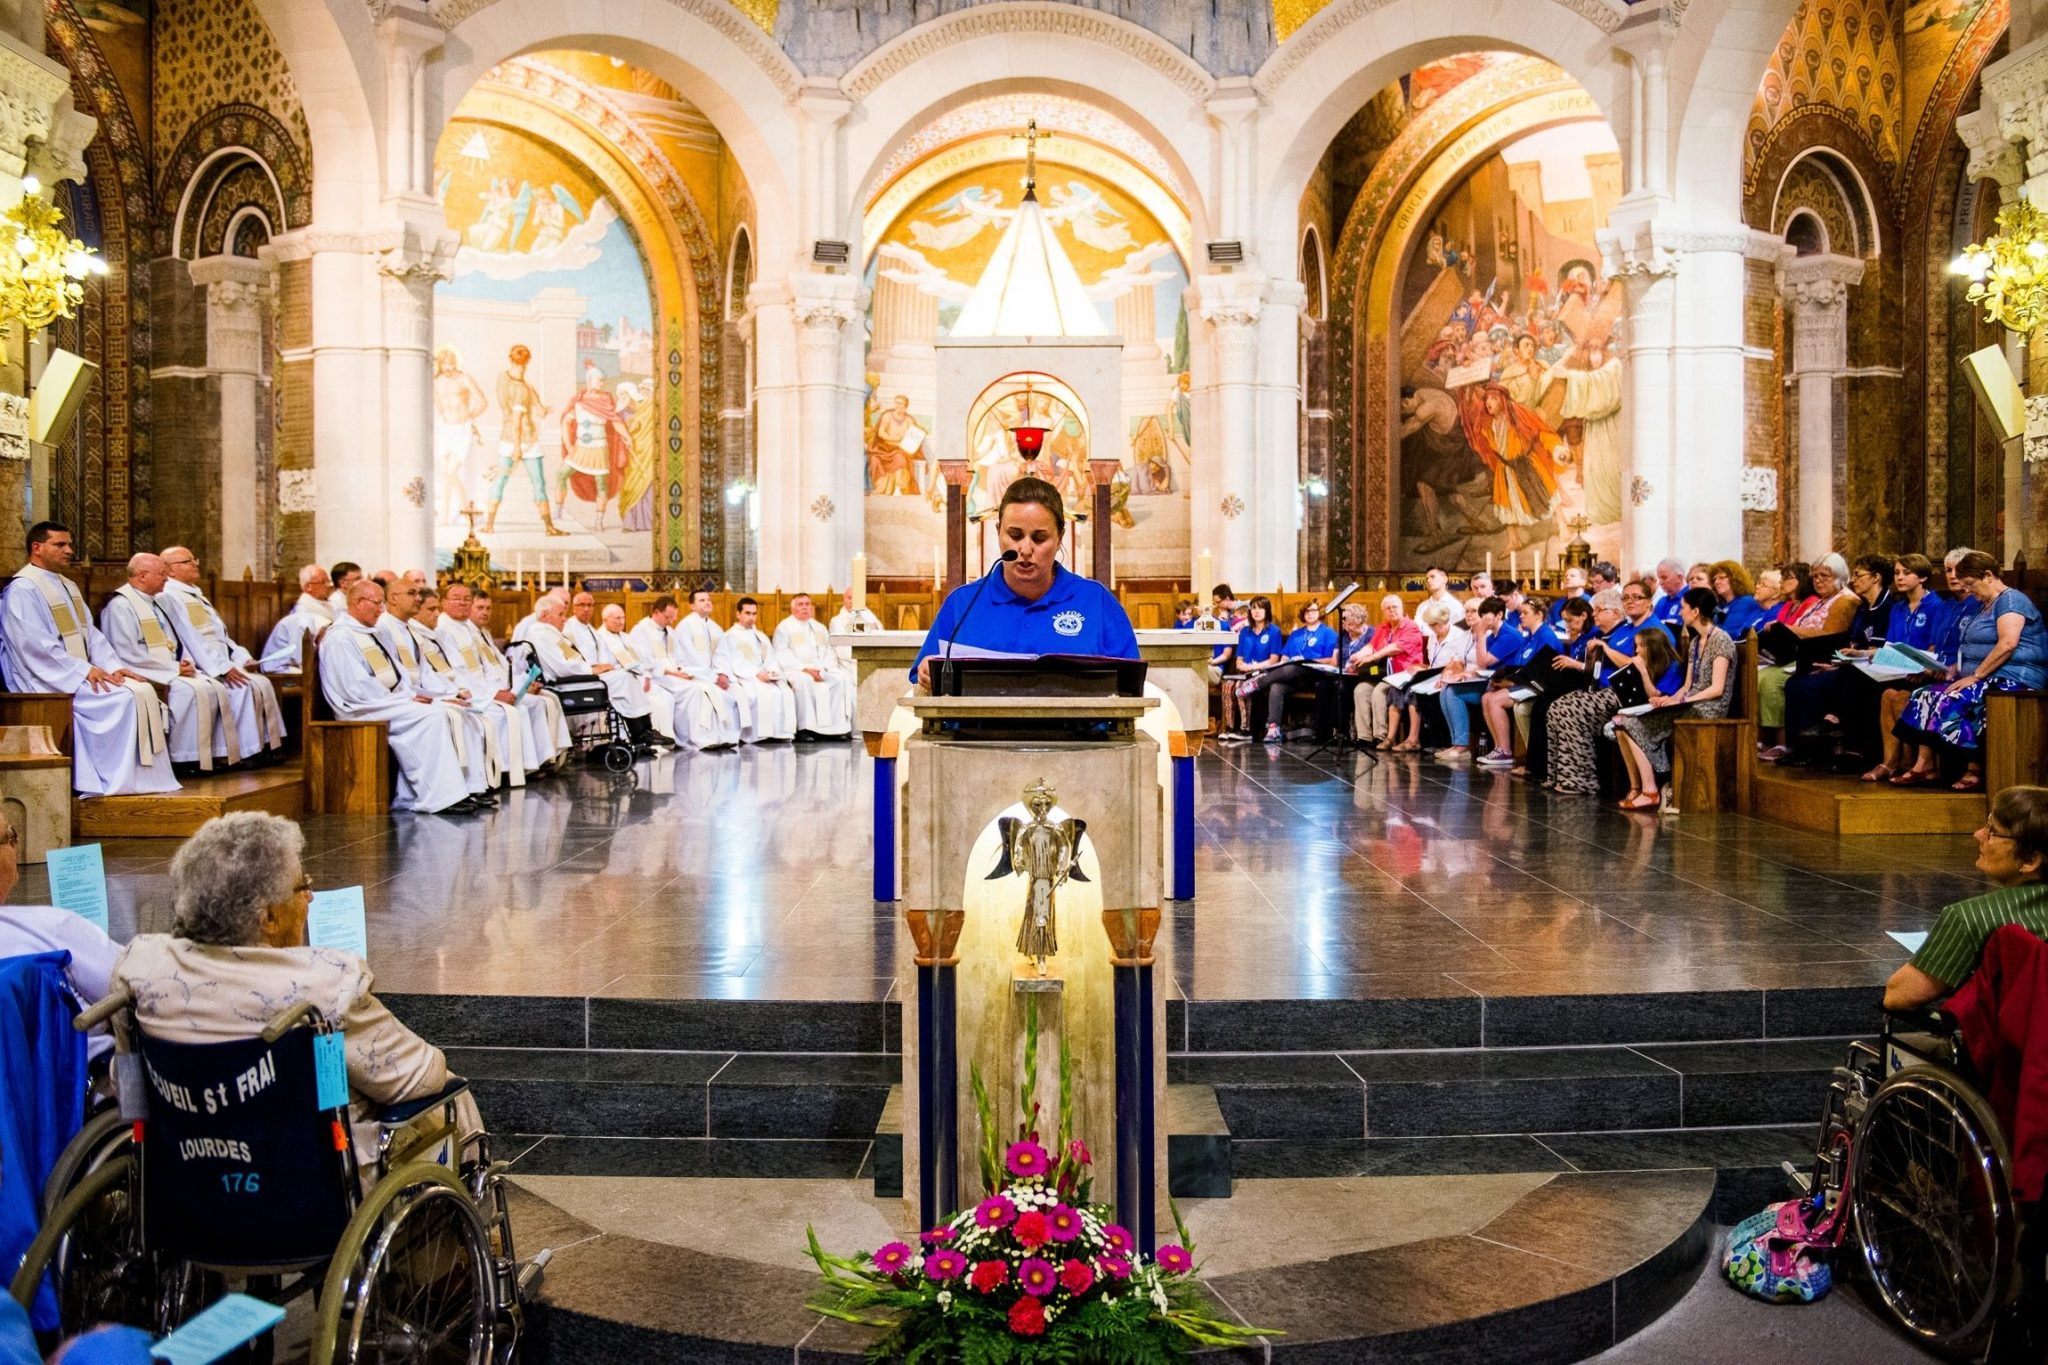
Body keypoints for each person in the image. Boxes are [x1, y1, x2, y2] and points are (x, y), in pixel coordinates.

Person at [109, 812, 485, 1171]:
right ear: (268, 918)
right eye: (302, 887)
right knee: (452, 1094)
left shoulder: (140, 968)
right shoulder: (325, 983)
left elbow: (128, 1088)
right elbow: (419, 1076)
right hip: (302, 1185)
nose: (311, 898)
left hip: (187, 1172)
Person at [0, 524, 180, 797]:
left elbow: (90, 634)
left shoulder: (67, 585)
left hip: (76, 671)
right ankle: (109, 780)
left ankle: (142, 781)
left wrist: (113, 666)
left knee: (141, 690)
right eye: (60, 545)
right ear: (36, 548)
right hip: (45, 676)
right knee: (122, 698)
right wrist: (84, 670)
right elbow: (34, 646)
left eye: (69, 544)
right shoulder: (23, 589)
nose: (69, 550)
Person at [910, 477, 1139, 686]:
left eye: (1039, 538)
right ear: (999, 532)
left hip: (1078, 731)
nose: (1025, 549)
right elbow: (922, 680)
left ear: (1059, 537)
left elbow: (1129, 682)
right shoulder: (963, 603)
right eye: (1015, 535)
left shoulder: (1095, 600)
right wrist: (926, 674)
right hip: (977, 731)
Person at [319, 580, 485, 814]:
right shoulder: (340, 638)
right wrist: (406, 700)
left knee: (445, 709)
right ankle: (436, 797)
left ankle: (446, 792)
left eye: (381, 603)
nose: (381, 609)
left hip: (384, 702)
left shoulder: (371, 632)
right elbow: (355, 689)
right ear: (357, 602)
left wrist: (415, 695)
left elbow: (399, 676)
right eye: (377, 603)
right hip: (360, 708)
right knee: (432, 716)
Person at [1891, 551, 2048, 792]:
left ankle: (1974, 768)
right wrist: (1957, 669)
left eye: (1971, 585)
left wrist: (1975, 676)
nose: (1970, 591)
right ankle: (1927, 765)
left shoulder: (2011, 600)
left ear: (1987, 576)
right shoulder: (1985, 604)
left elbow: (2008, 643)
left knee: (1954, 699)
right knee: (1924, 695)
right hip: (1985, 675)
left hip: (2015, 677)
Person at [1883, 787, 2048, 1010]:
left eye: (1992, 831)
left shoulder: (1972, 917)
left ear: (2030, 860)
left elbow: (1899, 995)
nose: (1978, 834)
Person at [100, 553, 247, 774]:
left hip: (173, 668)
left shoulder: (161, 601)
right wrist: (172, 669)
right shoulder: (120, 606)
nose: (166, 579)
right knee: (190, 691)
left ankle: (211, 755)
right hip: (147, 671)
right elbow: (125, 653)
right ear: (141, 576)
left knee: (213, 686)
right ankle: (183, 758)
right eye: (161, 574)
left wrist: (186, 661)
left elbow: (183, 636)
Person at [0, 819, 118, 1060]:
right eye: (10, 836)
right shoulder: (52, 928)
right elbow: (134, 985)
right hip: (69, 1088)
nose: (15, 844)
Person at [1543, 584, 1676, 794]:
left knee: (1570, 710)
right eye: (1626, 597)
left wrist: (1605, 649)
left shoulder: (1654, 629)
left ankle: (1582, 780)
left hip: (1631, 694)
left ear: (1649, 601)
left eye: (1637, 597)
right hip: (1605, 688)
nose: (1630, 601)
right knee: (1556, 707)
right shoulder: (1626, 629)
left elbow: (1640, 666)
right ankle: (1561, 775)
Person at [159, 546, 287, 762]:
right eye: (188, 561)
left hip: (217, 659)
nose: (195, 564)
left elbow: (221, 636)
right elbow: (191, 638)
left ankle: (264, 747)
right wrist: (222, 668)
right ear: (170, 570)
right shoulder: (170, 596)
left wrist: (242, 658)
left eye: (194, 559)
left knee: (260, 683)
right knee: (243, 687)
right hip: (200, 662)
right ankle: (239, 753)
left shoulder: (195, 595)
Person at [1613, 586, 1735, 810]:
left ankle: (1651, 790)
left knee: (1631, 724)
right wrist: (1669, 699)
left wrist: (1682, 701)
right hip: (1691, 702)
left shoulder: (1721, 640)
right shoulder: (1697, 642)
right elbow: (1688, 685)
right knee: (1623, 722)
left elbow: (1717, 688)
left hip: (1708, 708)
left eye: (1683, 608)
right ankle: (1646, 787)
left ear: (1696, 611)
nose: (1680, 613)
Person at [376, 578, 500, 798]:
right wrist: (427, 698)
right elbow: (392, 676)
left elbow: (425, 672)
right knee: (445, 715)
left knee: (463, 711)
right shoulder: (383, 627)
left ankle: (470, 787)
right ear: (393, 598)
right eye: (412, 594)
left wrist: (450, 694)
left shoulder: (408, 630)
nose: (417, 599)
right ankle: (441, 794)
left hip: (416, 695)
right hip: (398, 700)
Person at [437, 582, 568, 773]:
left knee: (544, 700)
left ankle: (542, 759)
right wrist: (493, 694)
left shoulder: (472, 629)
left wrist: (519, 685)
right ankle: (508, 768)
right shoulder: (444, 629)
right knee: (516, 710)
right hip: (472, 693)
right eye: (457, 599)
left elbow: (497, 666)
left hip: (490, 688)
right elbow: (459, 673)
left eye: (466, 599)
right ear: (444, 602)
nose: (463, 603)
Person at [525, 594, 660, 754]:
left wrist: (593, 667)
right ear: (544, 616)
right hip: (568, 684)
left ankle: (644, 732)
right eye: (560, 615)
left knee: (623, 675)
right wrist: (590, 670)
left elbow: (570, 660)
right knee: (623, 678)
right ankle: (642, 733)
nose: (564, 619)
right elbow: (562, 667)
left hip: (578, 677)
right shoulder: (540, 635)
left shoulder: (551, 633)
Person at [1758, 552, 1859, 761]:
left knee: (1799, 685)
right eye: (1815, 577)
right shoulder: (1821, 601)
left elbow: (1831, 634)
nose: (1818, 581)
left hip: (1826, 658)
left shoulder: (1845, 601)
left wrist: (1790, 631)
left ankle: (1809, 749)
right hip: (1805, 654)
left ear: (1839, 576)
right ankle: (1795, 747)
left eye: (1825, 576)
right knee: (1793, 684)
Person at [629, 595, 742, 749]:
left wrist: (682, 671)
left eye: (673, 617)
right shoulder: (641, 631)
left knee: (706, 687)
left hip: (674, 675)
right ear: (657, 612)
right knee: (695, 691)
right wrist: (673, 673)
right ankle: (695, 739)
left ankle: (717, 736)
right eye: (668, 617)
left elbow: (677, 658)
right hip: (656, 677)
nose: (671, 622)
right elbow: (645, 662)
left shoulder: (669, 631)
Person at [484, 344, 564, 536]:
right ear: (526, 362)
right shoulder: (521, 390)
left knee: (500, 481)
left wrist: (542, 409)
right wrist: (518, 448)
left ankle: (489, 525)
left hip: (506, 437)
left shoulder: (503, 378)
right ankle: (549, 527)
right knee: (538, 482)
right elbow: (518, 423)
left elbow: (534, 402)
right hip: (524, 440)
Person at [1479, 598, 1565, 765]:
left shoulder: (1546, 636)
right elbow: (1520, 664)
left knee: (1495, 700)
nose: (1521, 617)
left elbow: (1541, 670)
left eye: (1525, 613)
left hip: (1541, 685)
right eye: (1520, 613)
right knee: (1486, 697)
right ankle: (1498, 747)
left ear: (1539, 615)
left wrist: (1511, 684)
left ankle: (1506, 751)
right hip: (1526, 681)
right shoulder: (1530, 636)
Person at [593, 603, 679, 746]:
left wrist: (646, 676)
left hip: (637, 679)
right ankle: (643, 735)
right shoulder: (600, 638)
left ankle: (656, 738)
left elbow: (643, 661)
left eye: (623, 618)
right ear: (605, 619)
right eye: (617, 618)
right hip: (617, 682)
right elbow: (604, 665)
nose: (621, 622)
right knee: (657, 703)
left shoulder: (626, 637)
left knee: (667, 698)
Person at [773, 593, 855, 739]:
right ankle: (805, 729)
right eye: (800, 604)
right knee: (805, 682)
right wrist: (804, 669)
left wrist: (824, 669)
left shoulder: (819, 627)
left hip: (821, 669)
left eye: (807, 604)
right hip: (798, 670)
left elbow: (830, 651)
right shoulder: (784, 627)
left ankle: (836, 729)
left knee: (839, 680)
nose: (805, 607)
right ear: (793, 608)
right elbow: (782, 653)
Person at [1252, 602, 1336, 744]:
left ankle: (1257, 683)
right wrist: (1288, 661)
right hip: (1292, 676)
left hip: (1315, 675)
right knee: (1277, 685)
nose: (1310, 613)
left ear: (1320, 612)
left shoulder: (1328, 633)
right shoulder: (1296, 634)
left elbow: (1331, 661)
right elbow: (1284, 658)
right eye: (1306, 611)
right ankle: (1273, 728)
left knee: (1295, 667)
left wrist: (1307, 660)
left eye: (1313, 610)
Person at [717, 597, 798, 742]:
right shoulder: (730, 636)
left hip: (765, 675)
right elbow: (736, 662)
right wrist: (757, 673)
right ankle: (756, 736)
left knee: (784, 692)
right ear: (738, 614)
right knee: (755, 695)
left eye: (754, 614)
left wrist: (772, 672)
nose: (751, 617)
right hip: (746, 676)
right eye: (747, 613)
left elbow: (771, 658)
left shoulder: (761, 636)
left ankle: (781, 734)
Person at [677, 588, 754, 738]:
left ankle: (731, 737)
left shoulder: (716, 628)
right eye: (702, 600)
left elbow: (723, 655)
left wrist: (723, 673)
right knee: (710, 694)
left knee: (737, 690)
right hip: (695, 675)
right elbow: (685, 655)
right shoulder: (685, 626)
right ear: (691, 606)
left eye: (709, 600)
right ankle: (706, 738)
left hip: (715, 675)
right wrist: (709, 675)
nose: (707, 603)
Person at [1355, 594, 1428, 748]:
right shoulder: (1383, 627)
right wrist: (1355, 657)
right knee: (1361, 690)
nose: (1391, 610)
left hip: (1403, 676)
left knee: (1379, 692)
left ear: (1402, 609)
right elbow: (1371, 646)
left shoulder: (1411, 627)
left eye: (1395, 607)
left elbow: (1395, 647)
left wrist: (1372, 657)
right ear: (1383, 611)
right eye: (1387, 608)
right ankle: (1364, 737)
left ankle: (1381, 736)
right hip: (1383, 674)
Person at [1218, 596, 1283, 742]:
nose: (1257, 611)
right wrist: (1241, 665)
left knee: (1242, 687)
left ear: (1267, 610)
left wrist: (1253, 667)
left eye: (1260, 608)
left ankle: (1245, 729)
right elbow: (1239, 657)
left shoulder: (1274, 631)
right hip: (1244, 671)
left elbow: (1274, 660)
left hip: (1264, 672)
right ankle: (1229, 728)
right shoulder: (1245, 631)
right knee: (1227, 686)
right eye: (1253, 608)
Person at [259, 563, 335, 672]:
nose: (328, 586)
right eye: (323, 582)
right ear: (308, 587)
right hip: (282, 666)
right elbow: (299, 656)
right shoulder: (301, 613)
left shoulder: (325, 605)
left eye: (328, 581)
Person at [1710, 560, 1767, 639]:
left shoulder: (1745, 602)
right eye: (1714, 579)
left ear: (1735, 579)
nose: (1716, 582)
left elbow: (1729, 632)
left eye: (1722, 578)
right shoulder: (1721, 605)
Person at [1648, 558, 1687, 628]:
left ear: (1679, 577)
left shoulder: (1691, 598)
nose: (1660, 582)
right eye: (1659, 578)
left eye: (1664, 577)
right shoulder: (1661, 601)